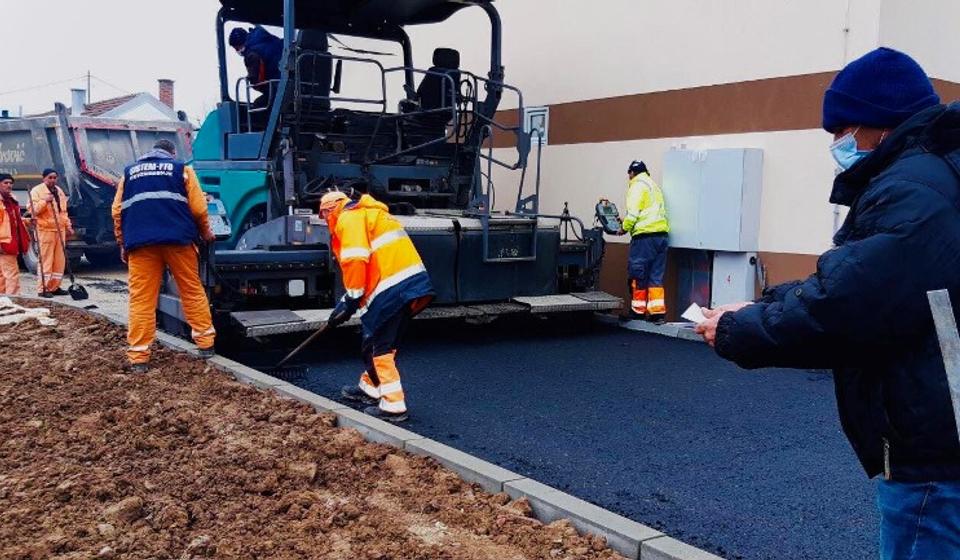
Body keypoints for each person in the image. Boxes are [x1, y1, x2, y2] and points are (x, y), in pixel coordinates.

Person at [694, 47, 960, 559]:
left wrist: (736, 330)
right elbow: (861, 280)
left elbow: (847, 307)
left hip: (934, 449)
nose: (837, 144)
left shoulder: (912, 190)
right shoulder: (937, 178)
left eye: (842, 130)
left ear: (878, 125)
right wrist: (764, 303)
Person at [318, 191, 434, 423]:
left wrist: (351, 299)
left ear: (330, 209)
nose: (325, 220)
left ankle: (393, 405)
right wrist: (346, 303)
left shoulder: (348, 219)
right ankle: (371, 388)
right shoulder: (368, 214)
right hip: (408, 287)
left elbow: (355, 259)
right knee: (378, 342)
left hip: (392, 289)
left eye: (324, 215)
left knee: (379, 348)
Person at [112, 139, 217, 373]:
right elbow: (199, 208)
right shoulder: (182, 170)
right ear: (171, 153)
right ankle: (205, 344)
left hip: (140, 244)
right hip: (178, 241)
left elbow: (117, 211)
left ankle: (139, 356)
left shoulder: (128, 174)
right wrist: (206, 232)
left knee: (141, 299)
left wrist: (122, 242)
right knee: (191, 289)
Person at [621, 160, 670, 322]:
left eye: (629, 174)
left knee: (638, 274)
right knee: (656, 276)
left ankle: (638, 311)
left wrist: (623, 227)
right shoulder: (654, 186)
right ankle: (657, 313)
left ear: (632, 173)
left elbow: (633, 214)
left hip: (644, 237)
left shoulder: (637, 186)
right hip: (661, 236)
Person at [29, 168, 72, 297]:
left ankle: (54, 286)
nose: (52, 180)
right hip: (45, 230)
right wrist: (44, 201)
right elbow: (33, 210)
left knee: (59, 260)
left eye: (54, 177)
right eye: (50, 177)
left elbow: (63, 211)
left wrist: (68, 225)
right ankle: (43, 288)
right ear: (44, 178)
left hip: (60, 230)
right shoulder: (36, 191)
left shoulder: (59, 191)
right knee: (46, 260)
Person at [229, 26, 283, 116]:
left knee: (257, 107)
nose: (237, 51)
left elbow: (256, 81)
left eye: (237, 48)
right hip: (295, 85)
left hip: (279, 89)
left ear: (240, 44)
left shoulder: (252, 54)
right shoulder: (271, 40)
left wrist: (250, 80)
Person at [0, 174, 29, 295]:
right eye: (5, 183)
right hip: (5, 243)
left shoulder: (12, 200)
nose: (9, 185)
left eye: (11, 183)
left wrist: (27, 221)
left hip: (10, 242)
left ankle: (3, 299)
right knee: (12, 273)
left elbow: (14, 220)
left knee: (2, 274)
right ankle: (13, 299)